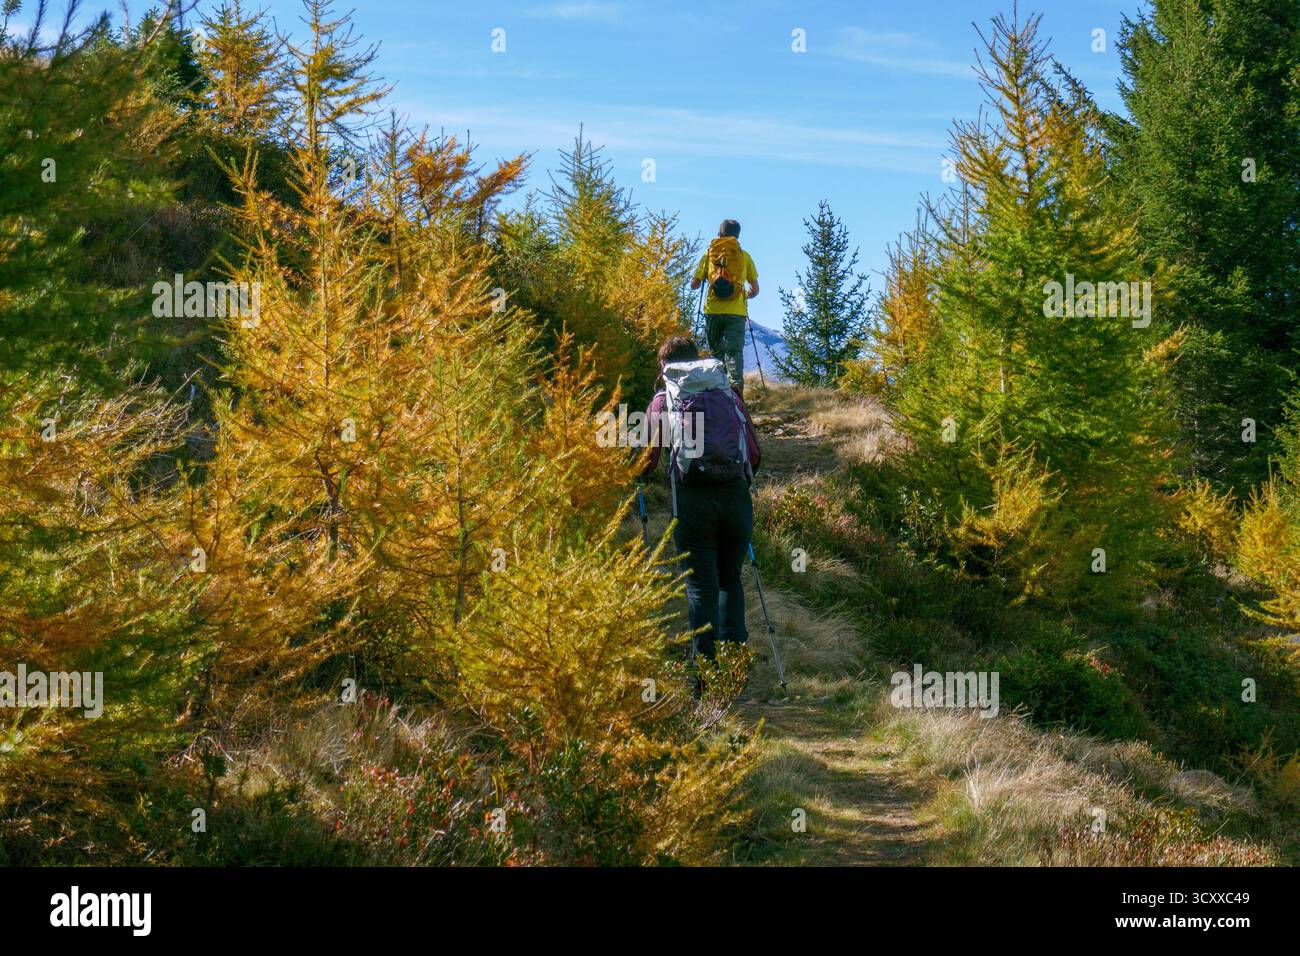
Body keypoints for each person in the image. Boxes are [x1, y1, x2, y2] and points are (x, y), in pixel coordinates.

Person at [640, 335, 761, 661]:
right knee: (729, 580)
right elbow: (754, 452)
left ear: (665, 365)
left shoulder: (664, 399)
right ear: (698, 359)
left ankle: (704, 676)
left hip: (692, 500)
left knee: (700, 587)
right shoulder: (730, 394)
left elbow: (644, 458)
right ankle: (736, 665)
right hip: (735, 497)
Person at [691, 219, 759, 397]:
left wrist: (704, 278)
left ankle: (717, 388)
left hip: (712, 311)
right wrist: (745, 295)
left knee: (715, 351)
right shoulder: (744, 257)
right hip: (736, 313)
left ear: (719, 234)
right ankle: (736, 386)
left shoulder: (708, 255)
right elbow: (755, 290)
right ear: (737, 236)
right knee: (734, 351)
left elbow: (694, 285)